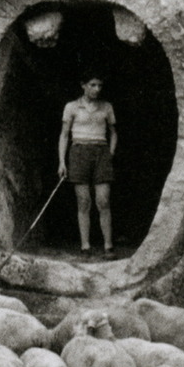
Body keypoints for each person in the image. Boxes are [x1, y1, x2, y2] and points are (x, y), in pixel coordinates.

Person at [57, 73, 117, 257]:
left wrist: (110, 154)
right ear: (83, 85)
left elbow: (113, 133)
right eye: (92, 85)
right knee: (83, 201)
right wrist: (62, 162)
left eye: (100, 85)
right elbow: (64, 135)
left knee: (103, 200)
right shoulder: (72, 107)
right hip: (78, 151)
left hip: (100, 151)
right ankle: (85, 246)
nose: (97, 89)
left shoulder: (106, 106)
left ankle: (108, 246)